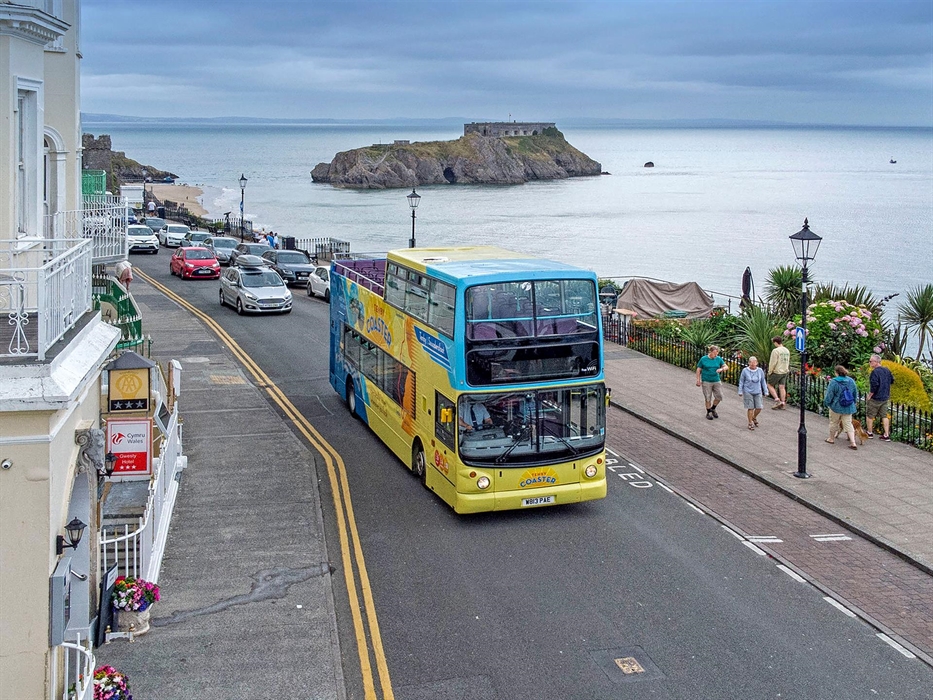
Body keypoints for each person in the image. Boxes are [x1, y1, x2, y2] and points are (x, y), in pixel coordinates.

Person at [823, 365, 859, 450]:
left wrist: (827, 403)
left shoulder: (834, 382)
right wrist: (854, 402)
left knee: (833, 422)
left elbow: (829, 395)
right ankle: (853, 442)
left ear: (837, 373)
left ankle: (831, 438)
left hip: (836, 406)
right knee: (848, 424)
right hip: (848, 406)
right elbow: (855, 393)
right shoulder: (851, 381)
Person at [866, 354, 894, 441]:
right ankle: (886, 434)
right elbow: (892, 380)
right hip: (885, 397)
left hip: (876, 398)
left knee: (870, 415)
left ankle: (869, 432)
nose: (869, 363)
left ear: (876, 362)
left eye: (871, 361)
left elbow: (874, 385)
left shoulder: (875, 372)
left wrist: (870, 395)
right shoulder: (887, 370)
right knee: (884, 415)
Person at [696, 345, 727, 420]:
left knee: (719, 396)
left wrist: (721, 369)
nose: (715, 355)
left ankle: (713, 408)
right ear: (710, 352)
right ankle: (708, 411)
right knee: (708, 397)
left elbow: (726, 366)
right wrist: (698, 380)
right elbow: (699, 369)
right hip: (706, 381)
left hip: (716, 380)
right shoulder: (704, 359)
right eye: (714, 353)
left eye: (717, 354)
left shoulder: (718, 359)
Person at [738, 356, 768, 430]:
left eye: (754, 363)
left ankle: (754, 417)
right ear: (749, 363)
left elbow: (763, 381)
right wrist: (740, 391)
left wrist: (766, 391)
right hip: (748, 391)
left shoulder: (760, 371)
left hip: (757, 391)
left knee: (759, 407)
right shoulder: (745, 371)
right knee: (750, 407)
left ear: (757, 363)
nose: (753, 365)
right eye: (751, 363)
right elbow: (741, 381)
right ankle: (750, 422)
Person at [767, 336, 791, 409]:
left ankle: (777, 400)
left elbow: (773, 362)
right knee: (782, 387)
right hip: (784, 370)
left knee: (769, 385)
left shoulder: (776, 351)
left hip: (777, 371)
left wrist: (770, 371)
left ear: (775, 342)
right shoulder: (787, 350)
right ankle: (783, 402)